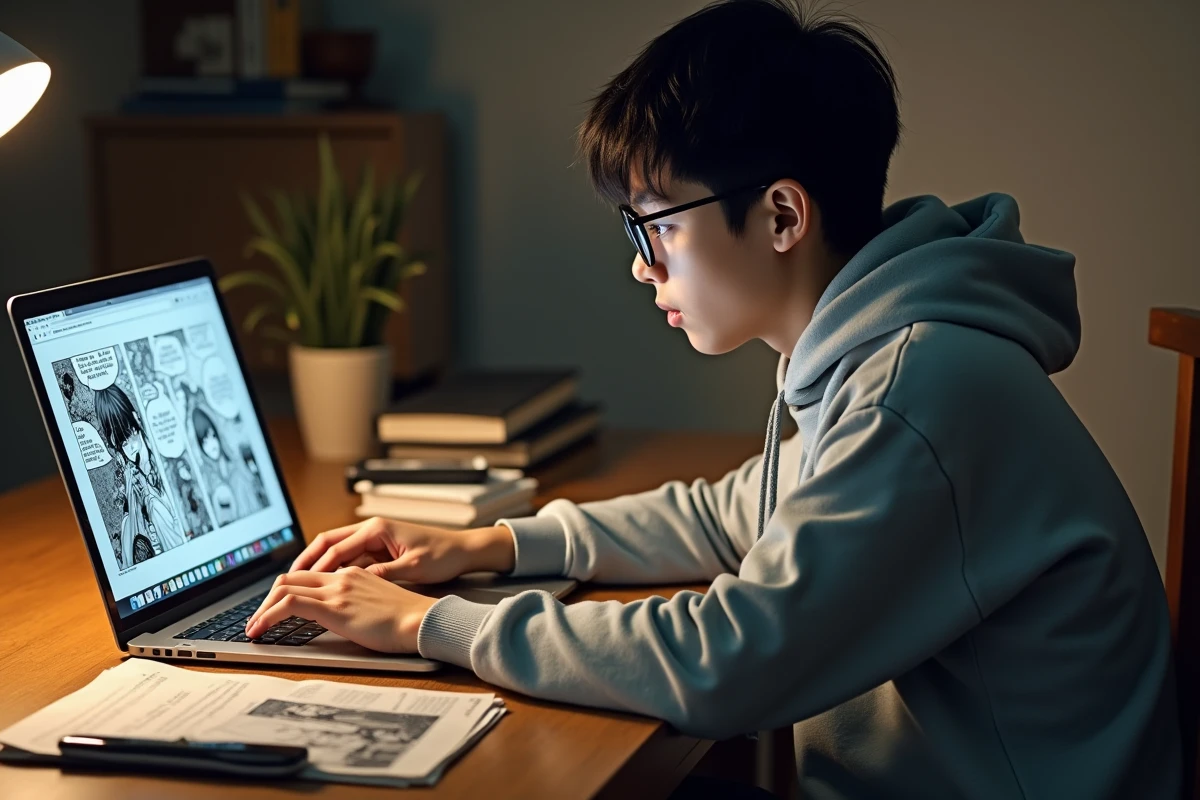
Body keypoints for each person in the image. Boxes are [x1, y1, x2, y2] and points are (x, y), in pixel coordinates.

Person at [246, 1, 1182, 796]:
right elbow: (734, 513)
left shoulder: (919, 391)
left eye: (656, 224)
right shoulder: (885, 354)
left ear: (781, 214)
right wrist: (492, 544)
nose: (640, 264)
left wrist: (432, 625)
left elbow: (731, 658)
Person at [93, 383, 184, 566]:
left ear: (137, 420)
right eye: (123, 443)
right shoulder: (131, 487)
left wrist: (158, 392)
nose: (132, 446)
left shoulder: (161, 453)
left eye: (132, 434)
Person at [192, 406, 261, 524]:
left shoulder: (236, 466)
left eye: (213, 436)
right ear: (200, 446)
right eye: (205, 441)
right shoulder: (208, 477)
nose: (212, 444)